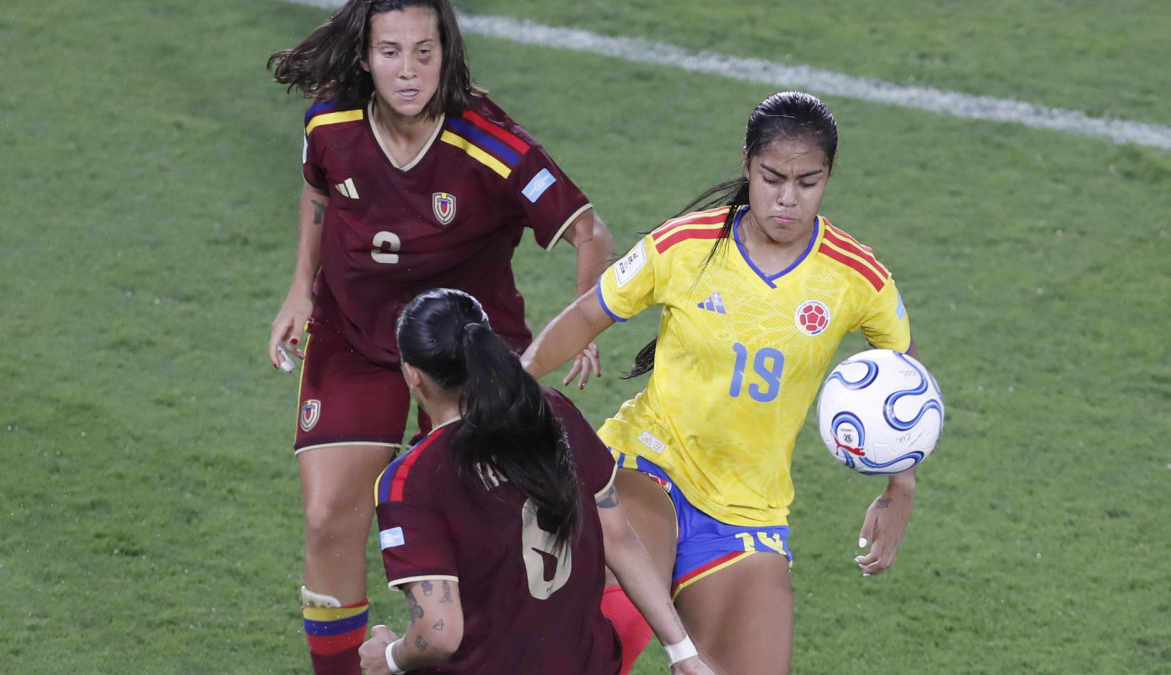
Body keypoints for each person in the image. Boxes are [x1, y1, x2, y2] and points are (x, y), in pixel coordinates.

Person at [522, 91, 922, 675]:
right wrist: (513, 380)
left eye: (807, 182)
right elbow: (590, 313)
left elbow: (905, 386)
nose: (787, 199)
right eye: (772, 177)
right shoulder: (684, 245)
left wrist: (900, 486)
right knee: (609, 629)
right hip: (647, 466)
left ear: (828, 176)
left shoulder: (857, 277)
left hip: (747, 512)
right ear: (746, 165)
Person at [265, 2, 612, 672]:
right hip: (357, 335)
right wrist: (300, 287)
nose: (408, 69)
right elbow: (320, 191)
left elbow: (590, 231)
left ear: (447, 52)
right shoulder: (330, 122)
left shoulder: (490, 141)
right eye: (391, 51)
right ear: (365, 56)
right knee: (328, 514)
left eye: (425, 51)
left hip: (468, 352)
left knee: (488, 527)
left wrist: (583, 319)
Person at [355, 289, 714, 675]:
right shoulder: (552, 412)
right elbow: (620, 539)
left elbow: (439, 634)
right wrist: (682, 653)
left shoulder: (411, 479)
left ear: (412, 374)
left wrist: (390, 657)